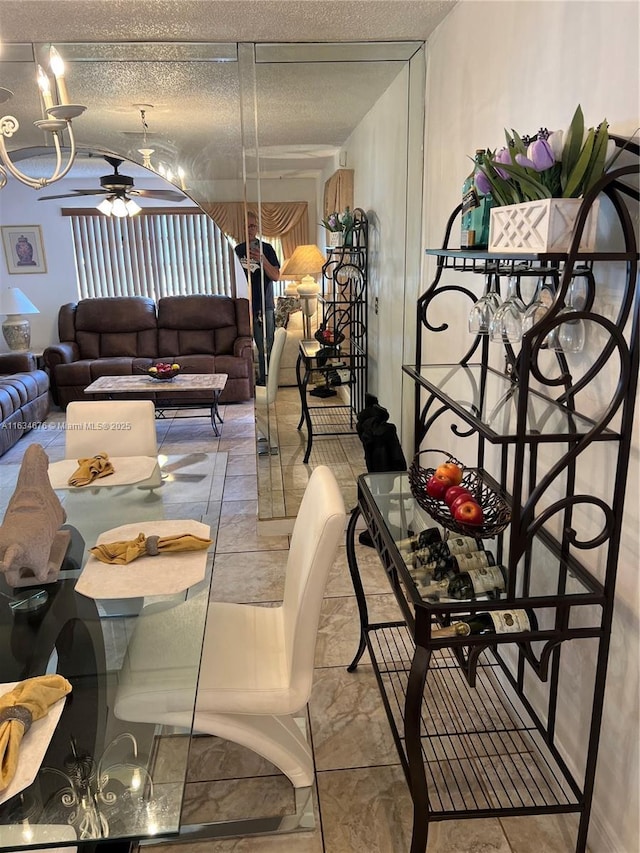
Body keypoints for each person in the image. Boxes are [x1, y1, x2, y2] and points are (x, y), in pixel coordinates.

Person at [235, 213, 280, 385]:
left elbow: (276, 276)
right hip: (244, 307)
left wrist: (262, 259)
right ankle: (249, 382)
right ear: (242, 228)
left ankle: (266, 382)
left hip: (265, 306)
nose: (250, 229)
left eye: (253, 226)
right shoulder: (237, 251)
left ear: (257, 228)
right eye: (247, 226)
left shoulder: (267, 249)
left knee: (266, 348)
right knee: (245, 346)